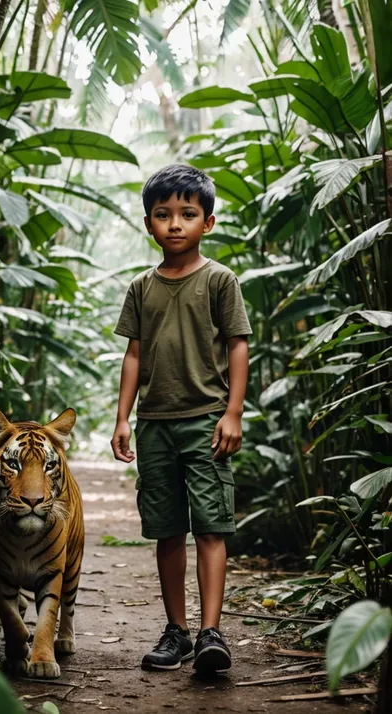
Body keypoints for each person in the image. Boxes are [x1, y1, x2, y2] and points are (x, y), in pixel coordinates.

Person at [111, 164, 251, 675]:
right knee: (167, 531)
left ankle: (212, 632)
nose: (175, 224)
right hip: (154, 424)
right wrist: (123, 418)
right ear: (148, 223)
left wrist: (232, 412)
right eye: (163, 214)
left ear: (207, 223)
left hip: (206, 420)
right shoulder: (140, 288)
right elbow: (134, 355)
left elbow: (238, 345)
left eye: (187, 214)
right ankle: (178, 632)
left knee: (212, 527)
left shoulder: (219, 280)